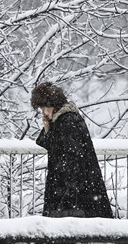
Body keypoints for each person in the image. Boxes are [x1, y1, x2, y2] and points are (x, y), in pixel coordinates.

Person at [31, 82, 114, 218]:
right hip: (72, 190)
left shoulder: (68, 121)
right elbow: (54, 146)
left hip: (73, 194)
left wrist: (66, 195)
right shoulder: (62, 120)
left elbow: (73, 160)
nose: (43, 112)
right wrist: (47, 127)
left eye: (44, 108)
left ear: (52, 105)